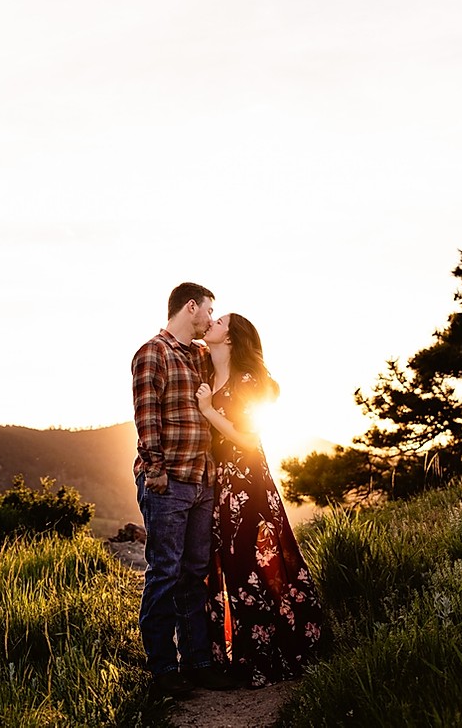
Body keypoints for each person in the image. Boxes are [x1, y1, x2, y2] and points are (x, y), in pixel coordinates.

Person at [195, 313, 326, 687]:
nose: (210, 322)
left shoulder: (246, 379)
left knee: (251, 566)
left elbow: (249, 438)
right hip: (221, 485)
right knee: (230, 566)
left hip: (248, 481)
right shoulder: (208, 373)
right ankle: (241, 656)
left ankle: (273, 655)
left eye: (218, 321)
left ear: (232, 338)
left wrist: (207, 411)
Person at [132, 282, 231, 696]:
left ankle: (199, 661)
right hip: (167, 480)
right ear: (191, 306)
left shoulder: (198, 355)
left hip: (202, 481)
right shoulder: (152, 352)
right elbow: (146, 414)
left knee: (194, 574)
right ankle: (162, 670)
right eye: (209, 309)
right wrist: (155, 469)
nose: (211, 317)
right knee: (165, 572)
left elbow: (227, 364)